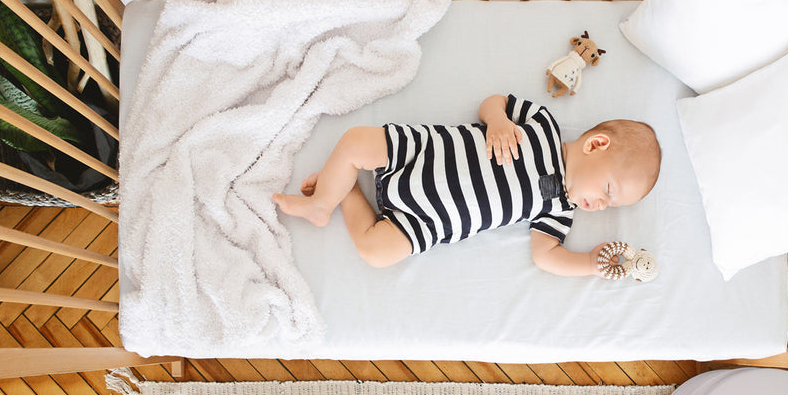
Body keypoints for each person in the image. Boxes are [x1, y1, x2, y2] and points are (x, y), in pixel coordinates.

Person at [273, 94, 661, 277]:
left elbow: (546, 256)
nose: (600, 206)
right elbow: (494, 102)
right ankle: (323, 201)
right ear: (596, 144)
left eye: (611, 206)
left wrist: (591, 264)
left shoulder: (560, 208)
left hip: (425, 221)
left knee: (376, 252)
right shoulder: (542, 125)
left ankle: (348, 194)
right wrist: (497, 121)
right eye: (607, 192)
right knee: (357, 139)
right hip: (423, 153)